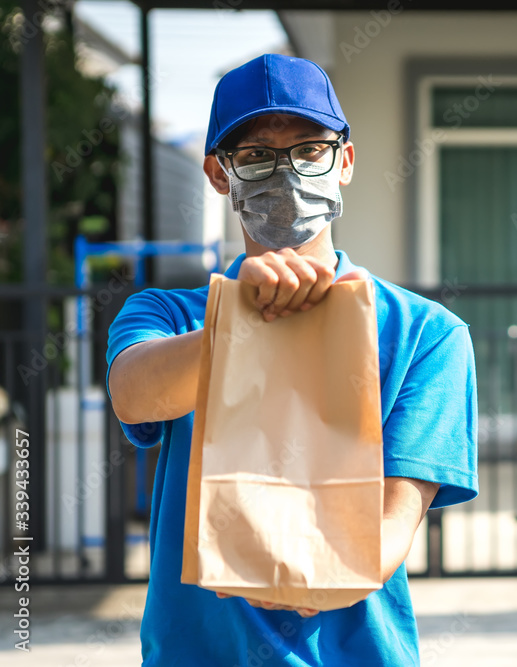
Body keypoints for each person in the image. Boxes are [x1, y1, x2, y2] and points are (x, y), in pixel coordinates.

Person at [106, 53, 479, 666]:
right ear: (219, 175)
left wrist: (315, 573)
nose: (287, 172)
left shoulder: (427, 335)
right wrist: (239, 321)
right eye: (255, 155)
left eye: (310, 149)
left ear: (346, 162)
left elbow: (393, 523)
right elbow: (135, 394)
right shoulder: (169, 314)